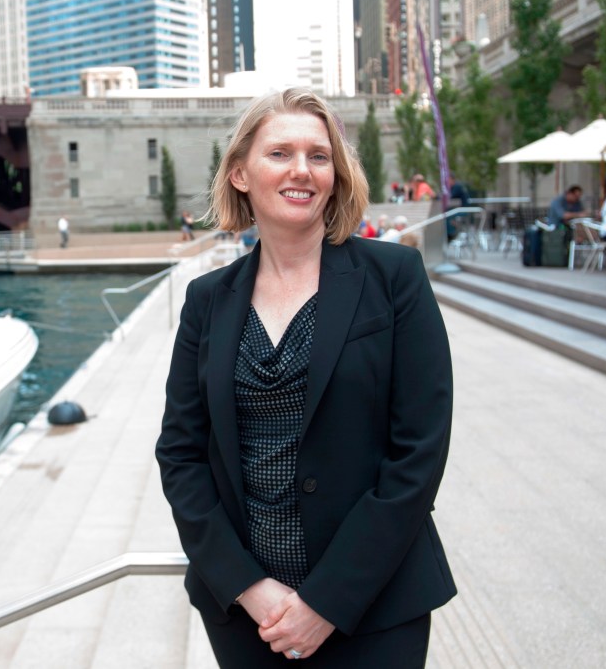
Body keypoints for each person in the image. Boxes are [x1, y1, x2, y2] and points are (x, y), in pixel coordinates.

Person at [155, 87, 456, 668]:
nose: (303, 170)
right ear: (240, 173)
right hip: (249, 618)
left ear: (337, 174)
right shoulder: (206, 300)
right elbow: (181, 453)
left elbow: (419, 450)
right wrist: (246, 585)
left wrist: (327, 600)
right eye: (280, 154)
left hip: (375, 607)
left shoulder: (394, 277)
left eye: (320, 156)